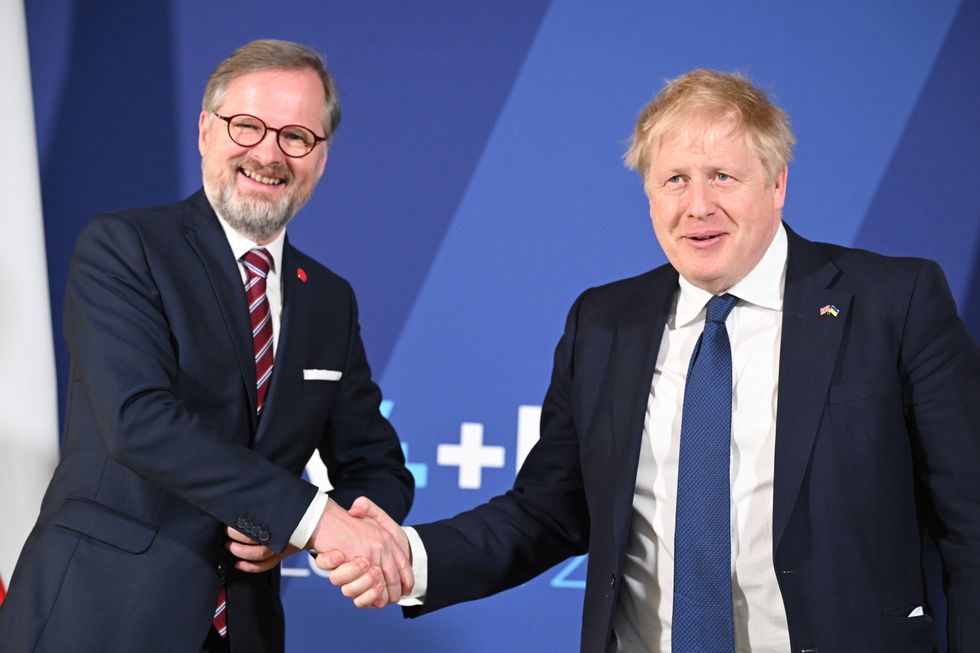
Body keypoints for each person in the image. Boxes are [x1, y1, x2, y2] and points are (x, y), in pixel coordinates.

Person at [323, 70, 980, 652]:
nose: (698, 206)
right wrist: (411, 556)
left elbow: (969, 520)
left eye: (723, 175)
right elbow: (550, 510)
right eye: (674, 180)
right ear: (648, 193)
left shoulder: (893, 302)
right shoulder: (604, 322)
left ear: (777, 183)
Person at [0, 39, 414, 653]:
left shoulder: (329, 298)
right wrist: (309, 516)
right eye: (247, 126)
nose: (268, 154)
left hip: (243, 629)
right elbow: (139, 423)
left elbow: (376, 464)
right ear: (205, 130)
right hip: (97, 617)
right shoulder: (125, 248)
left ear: (321, 158)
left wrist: (305, 529)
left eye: (296, 136)